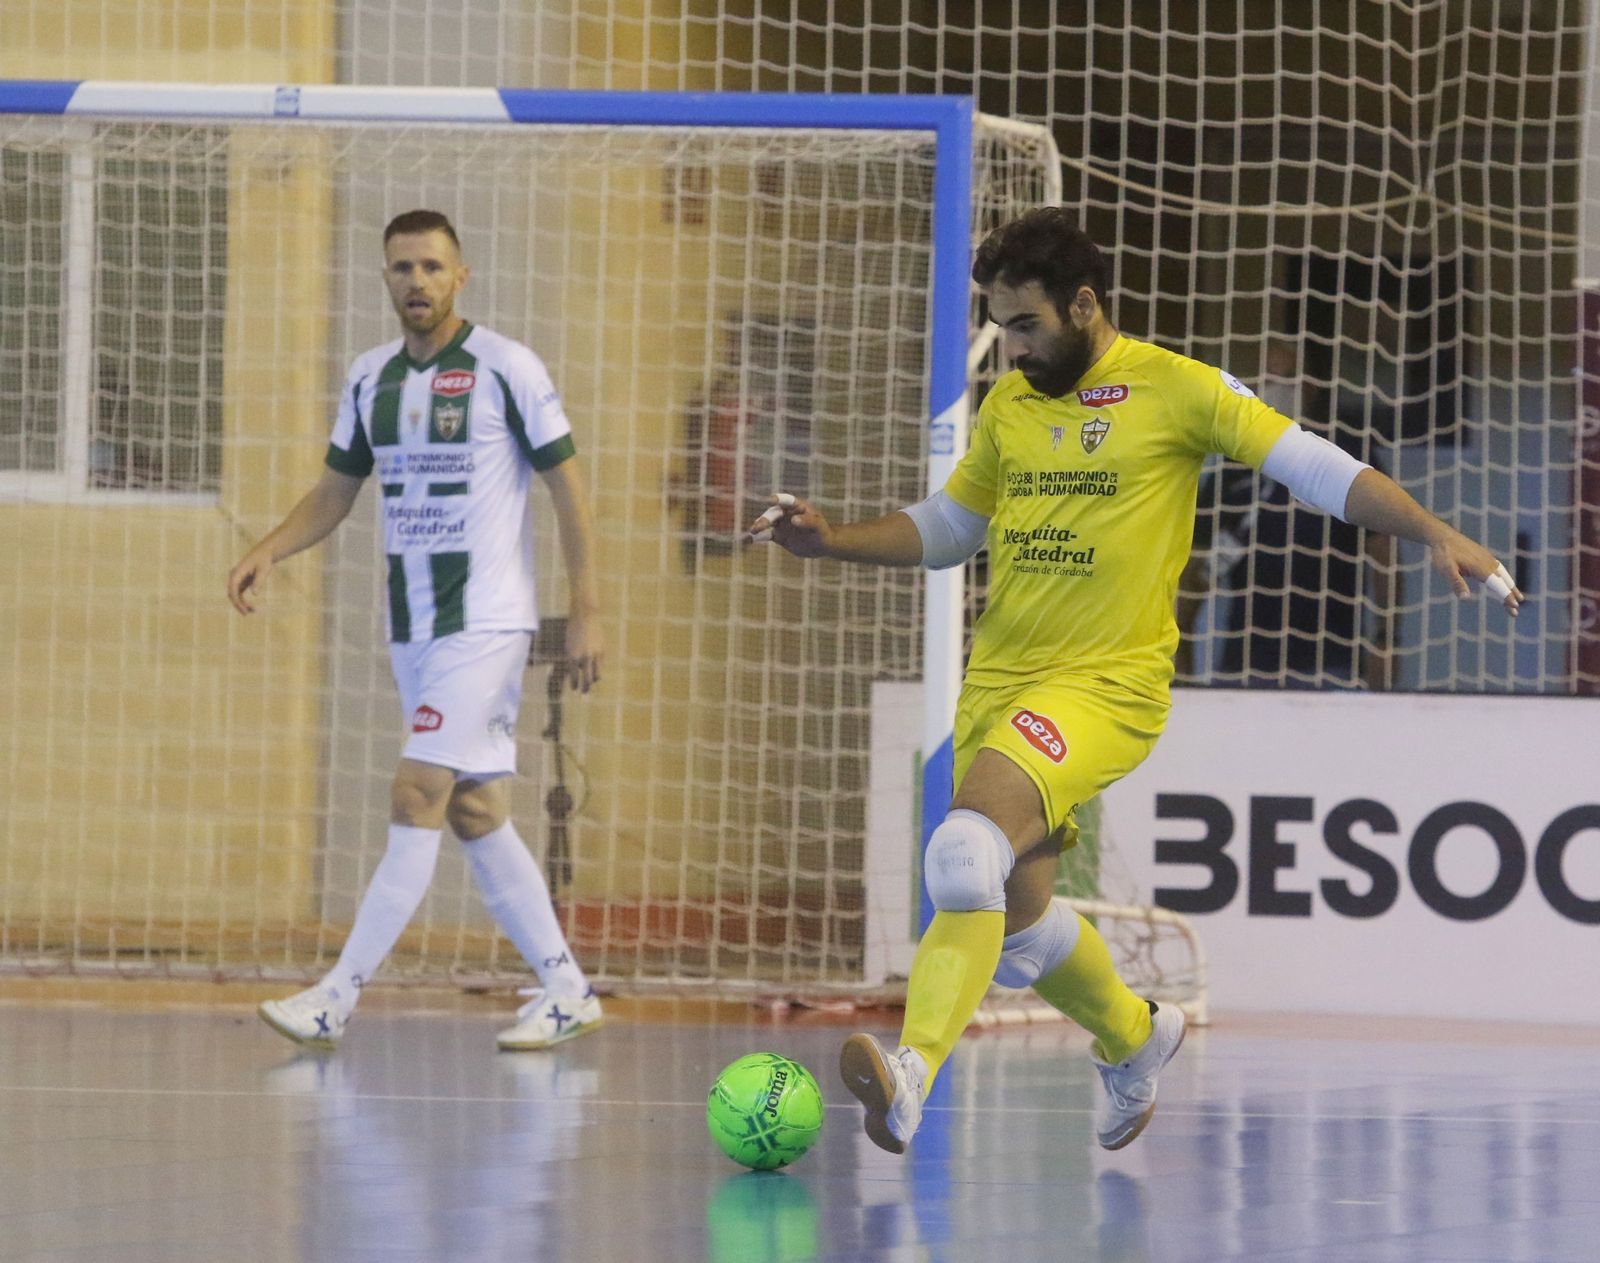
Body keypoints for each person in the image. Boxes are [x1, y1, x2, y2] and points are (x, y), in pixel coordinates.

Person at [748, 207, 1520, 1155]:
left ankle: (910, 1078)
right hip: (1003, 683)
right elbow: (953, 528)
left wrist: (1435, 530)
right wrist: (830, 541)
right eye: (1002, 326)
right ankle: (1134, 1035)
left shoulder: (1175, 389)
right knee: (1018, 917)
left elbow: (1316, 468)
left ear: (1084, 304)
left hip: (1106, 685)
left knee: (961, 853)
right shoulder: (1011, 405)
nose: (1015, 347)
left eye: (1027, 324)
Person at [228, 210, 604, 1052]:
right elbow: (336, 491)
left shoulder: (508, 367)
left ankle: (335, 995)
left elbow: (570, 490)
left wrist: (587, 607)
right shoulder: (370, 379)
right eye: (402, 268)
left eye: (432, 266)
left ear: (460, 276)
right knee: (473, 808)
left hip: (486, 621)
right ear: (386, 277)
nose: (417, 282)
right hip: (415, 628)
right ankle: (567, 988)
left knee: (415, 792)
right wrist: (269, 548)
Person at [1177, 339, 1395, 688]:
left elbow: (1383, 552)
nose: (1277, 386)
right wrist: (1182, 648)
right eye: (1268, 377)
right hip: (1245, 664)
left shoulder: (1344, 457)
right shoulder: (1233, 470)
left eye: (1287, 375)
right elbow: (1196, 571)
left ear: (1309, 385)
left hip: (1331, 663)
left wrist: (1386, 640)